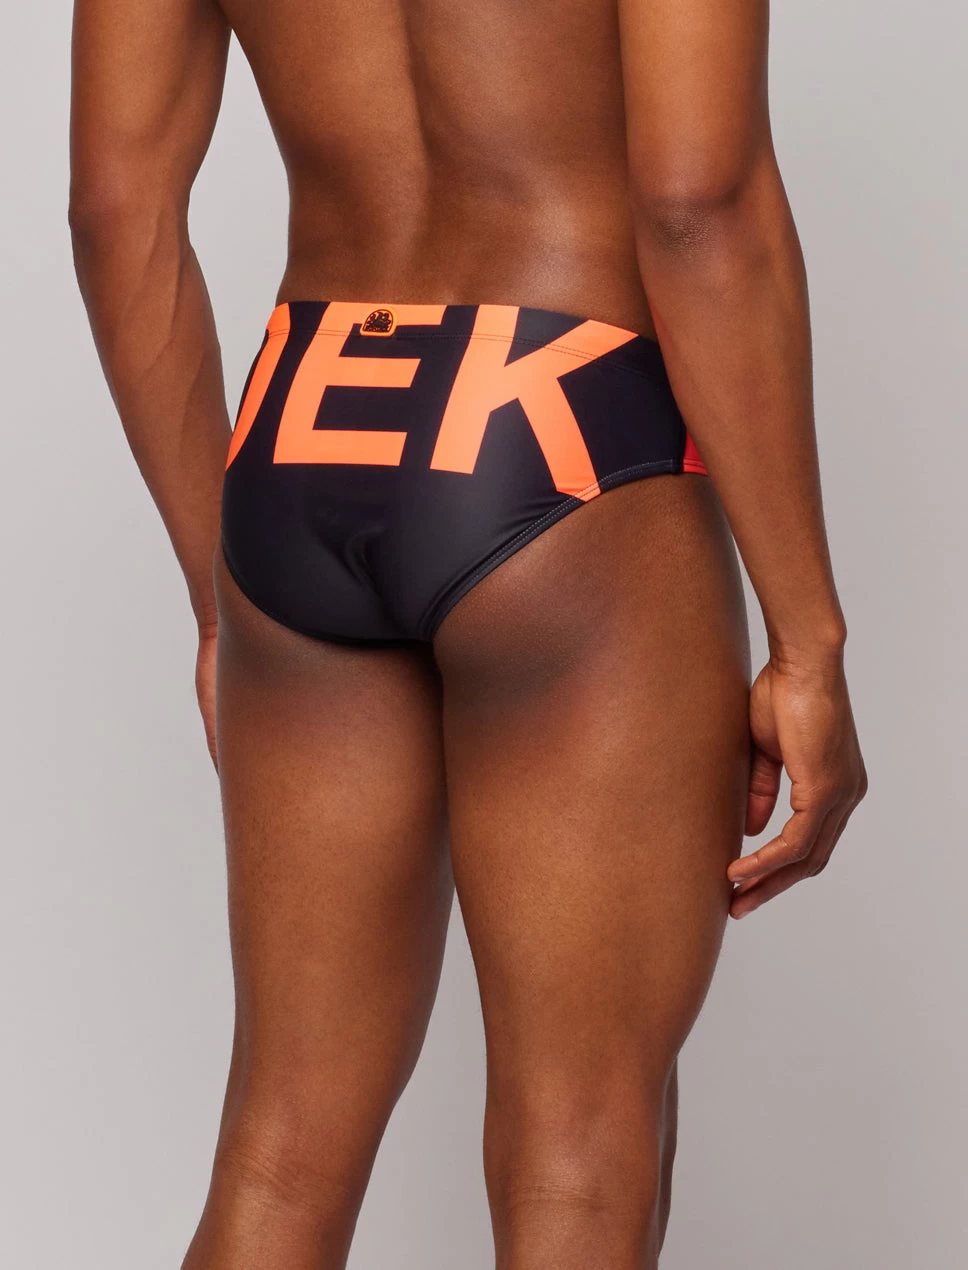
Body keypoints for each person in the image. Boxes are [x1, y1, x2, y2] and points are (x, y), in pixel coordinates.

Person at [69, 0, 867, 1265]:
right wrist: (806, 640)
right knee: (577, 1159)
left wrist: (216, 591)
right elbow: (694, 201)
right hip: (561, 423)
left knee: (279, 1156)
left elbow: (116, 212)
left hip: (304, 425)